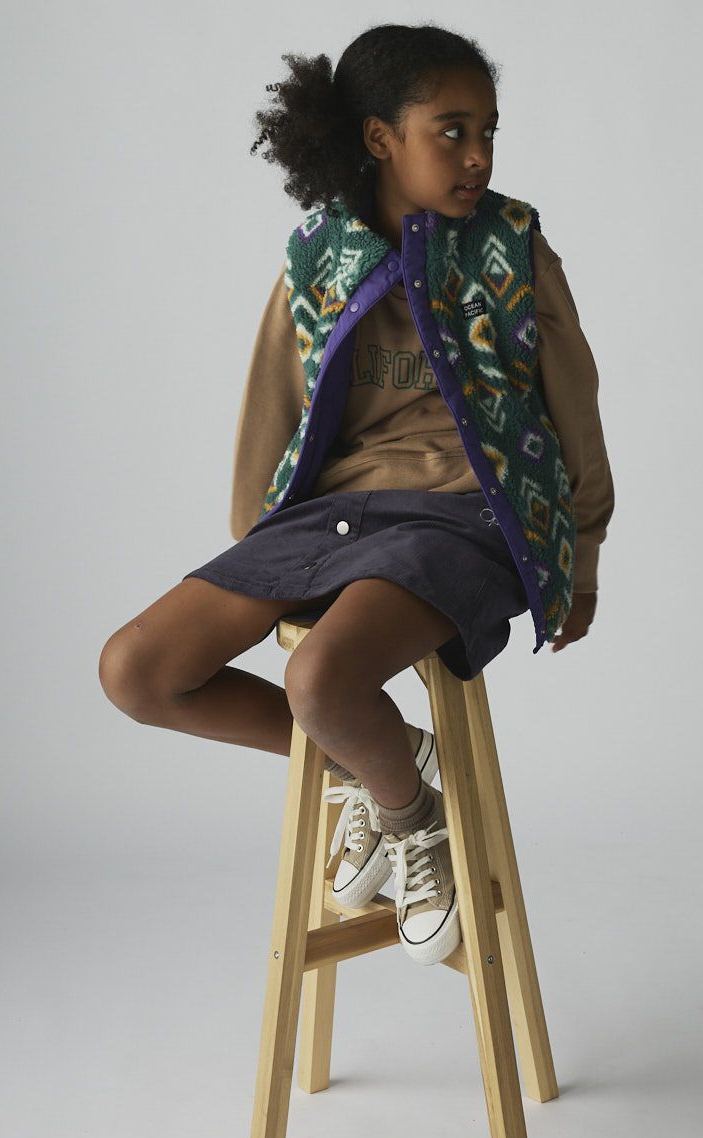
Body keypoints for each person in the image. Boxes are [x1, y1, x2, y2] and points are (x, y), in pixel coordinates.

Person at [98, 23, 614, 967]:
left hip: (472, 514)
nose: (478, 155)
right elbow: (274, 402)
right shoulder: (318, 254)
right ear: (381, 138)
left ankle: (415, 824)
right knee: (136, 670)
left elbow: (575, 403)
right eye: (451, 132)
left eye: (488, 132)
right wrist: (260, 555)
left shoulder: (512, 244)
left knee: (321, 680)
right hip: (332, 517)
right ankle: (385, 765)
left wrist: (580, 555)